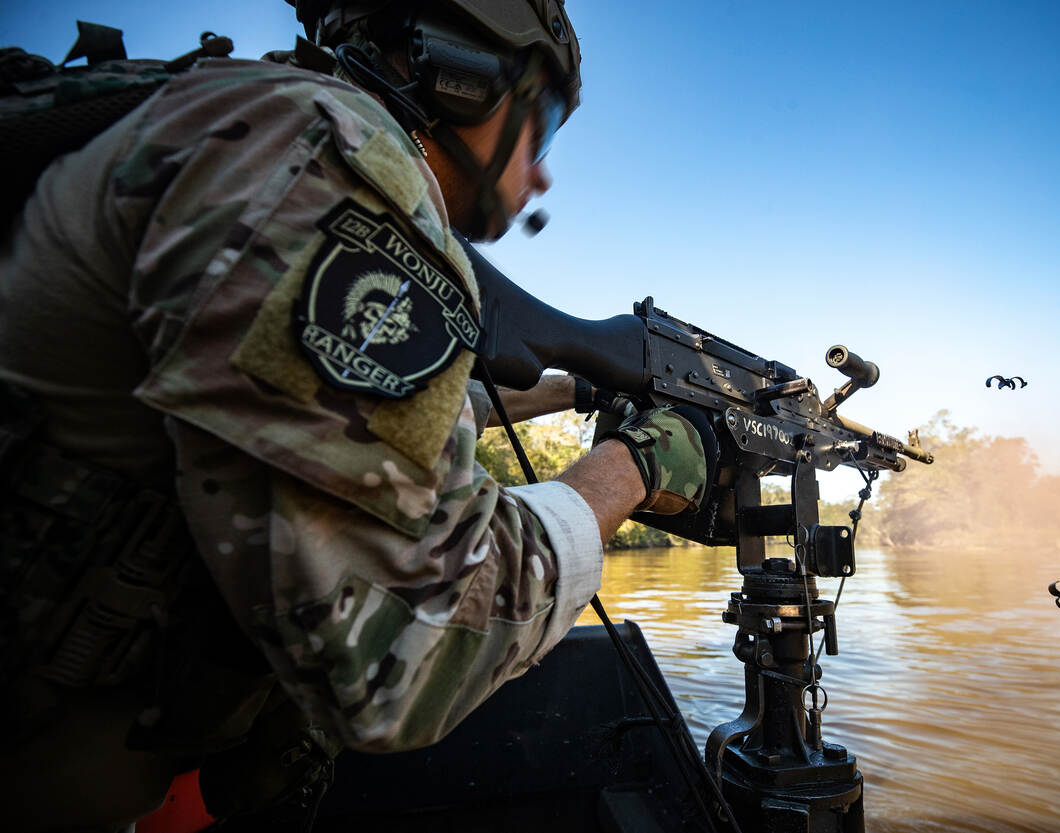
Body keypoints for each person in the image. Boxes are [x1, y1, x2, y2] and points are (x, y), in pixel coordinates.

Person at [0, 1, 711, 830]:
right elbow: (412, 637)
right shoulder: (330, 161)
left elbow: (360, 415)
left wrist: (572, 389)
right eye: (543, 123)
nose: (545, 171)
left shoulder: (251, 117)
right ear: (462, 76)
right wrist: (638, 467)